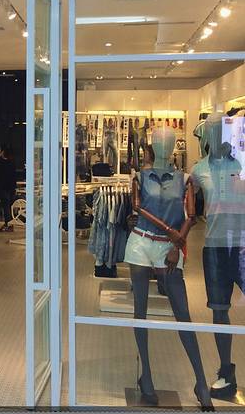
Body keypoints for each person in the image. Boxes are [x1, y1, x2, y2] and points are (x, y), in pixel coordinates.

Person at [124, 127, 212, 410]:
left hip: (169, 247)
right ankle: (147, 376)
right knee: (140, 312)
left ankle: (201, 381)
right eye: (159, 142)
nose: (163, 146)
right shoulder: (140, 177)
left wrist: (176, 242)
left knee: (183, 314)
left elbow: (191, 216)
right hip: (141, 242)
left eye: (168, 142)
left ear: (174, 146)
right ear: (152, 145)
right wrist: (171, 232)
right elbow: (138, 208)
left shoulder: (185, 179)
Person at [191, 114, 245, 400]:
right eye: (213, 130)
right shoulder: (198, 170)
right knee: (219, 311)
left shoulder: (243, 164)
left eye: (223, 129)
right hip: (214, 246)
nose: (219, 135)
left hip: (243, 245)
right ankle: (226, 371)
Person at [0, 145, 17, 232]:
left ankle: (8, 225)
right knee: (8, 206)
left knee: (6, 206)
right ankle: (8, 224)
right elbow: (14, 176)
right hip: (11, 187)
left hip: (3, 187)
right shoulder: (12, 162)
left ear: (2, 152)